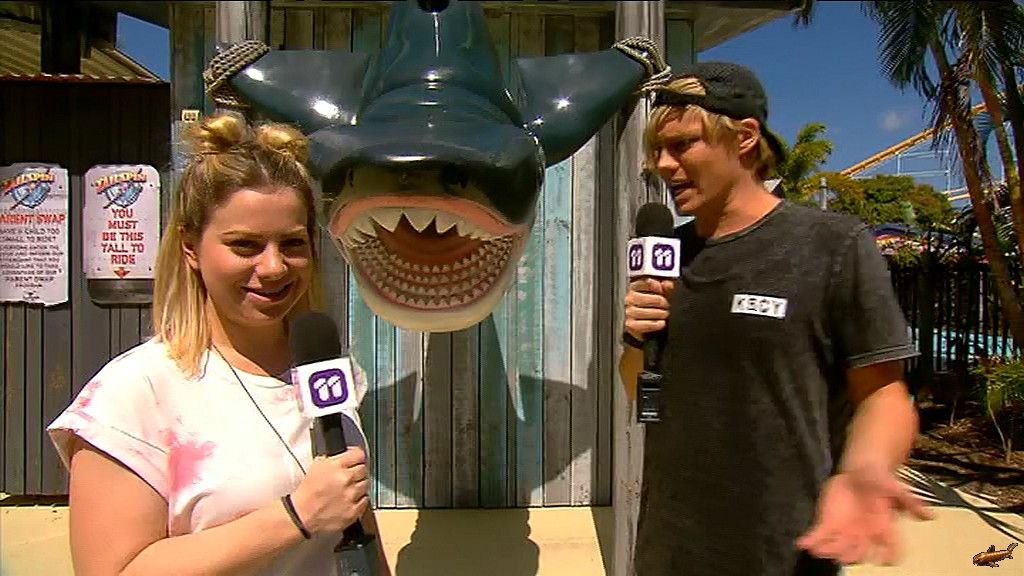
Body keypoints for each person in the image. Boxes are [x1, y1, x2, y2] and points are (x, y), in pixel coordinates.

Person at [619, 61, 934, 576]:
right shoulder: (666, 254)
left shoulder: (833, 245)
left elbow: (883, 392)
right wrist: (637, 338)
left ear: (744, 137)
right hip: (667, 550)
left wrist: (866, 469)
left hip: (787, 551)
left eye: (682, 145)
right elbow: (638, 388)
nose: (664, 165)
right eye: (657, 150)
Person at [47, 113, 391, 576]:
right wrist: (296, 516)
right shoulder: (133, 393)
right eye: (245, 245)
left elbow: (350, 510)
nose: (273, 267)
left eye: (292, 243)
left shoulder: (325, 372)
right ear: (191, 247)